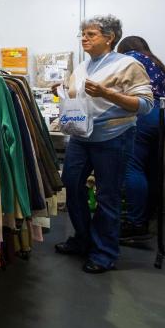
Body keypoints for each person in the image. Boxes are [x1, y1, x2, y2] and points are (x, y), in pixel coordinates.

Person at [55, 15, 154, 273]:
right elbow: (78, 96)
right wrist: (62, 90)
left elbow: (145, 104)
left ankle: (104, 252)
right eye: (83, 34)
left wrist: (107, 93)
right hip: (81, 136)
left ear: (109, 38)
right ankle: (83, 238)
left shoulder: (128, 65)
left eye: (91, 34)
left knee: (107, 195)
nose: (84, 39)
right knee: (71, 185)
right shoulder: (83, 66)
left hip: (114, 137)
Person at [116, 36, 165, 240]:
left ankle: (136, 223)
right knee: (153, 168)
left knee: (132, 166)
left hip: (146, 113)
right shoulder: (156, 61)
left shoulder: (129, 58)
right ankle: (148, 216)